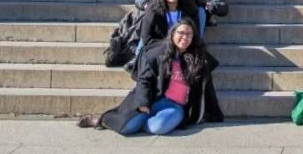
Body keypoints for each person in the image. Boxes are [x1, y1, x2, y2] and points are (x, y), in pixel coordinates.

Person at [78, 18, 223, 134]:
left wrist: (214, 112)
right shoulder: (158, 53)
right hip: (152, 100)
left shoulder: (199, 58)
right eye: (181, 33)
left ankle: (140, 121)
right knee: (127, 129)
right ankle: (100, 120)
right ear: (173, 34)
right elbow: (144, 80)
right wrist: (143, 103)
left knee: (158, 128)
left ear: (194, 37)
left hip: (174, 107)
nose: (184, 37)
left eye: (189, 34)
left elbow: (207, 86)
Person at [137, 0, 202, 46]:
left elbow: (195, 37)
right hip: (158, 49)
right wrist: (170, 47)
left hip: (183, 48)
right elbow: (146, 39)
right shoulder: (153, 10)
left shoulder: (190, 10)